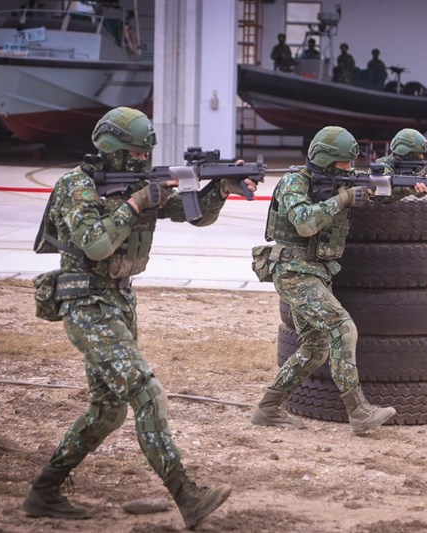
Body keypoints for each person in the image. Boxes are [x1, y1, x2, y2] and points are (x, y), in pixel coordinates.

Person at [23, 107, 258, 528]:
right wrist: (135, 203)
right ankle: (187, 495)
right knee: (146, 392)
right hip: (87, 304)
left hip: (119, 303)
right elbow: (95, 245)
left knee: (107, 412)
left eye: (144, 154)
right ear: (112, 149)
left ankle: (44, 491)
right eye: (133, 154)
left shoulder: (141, 184)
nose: (140, 162)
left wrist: (220, 188)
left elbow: (194, 214)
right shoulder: (76, 187)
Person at [249, 126, 427, 434]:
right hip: (293, 269)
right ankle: (358, 411)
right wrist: (344, 198)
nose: (350, 170)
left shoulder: (341, 181)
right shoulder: (294, 183)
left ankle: (267, 408)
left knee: (314, 347)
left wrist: (409, 186)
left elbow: (381, 189)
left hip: (317, 271)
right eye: (344, 165)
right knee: (341, 327)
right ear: (324, 160)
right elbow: (305, 223)